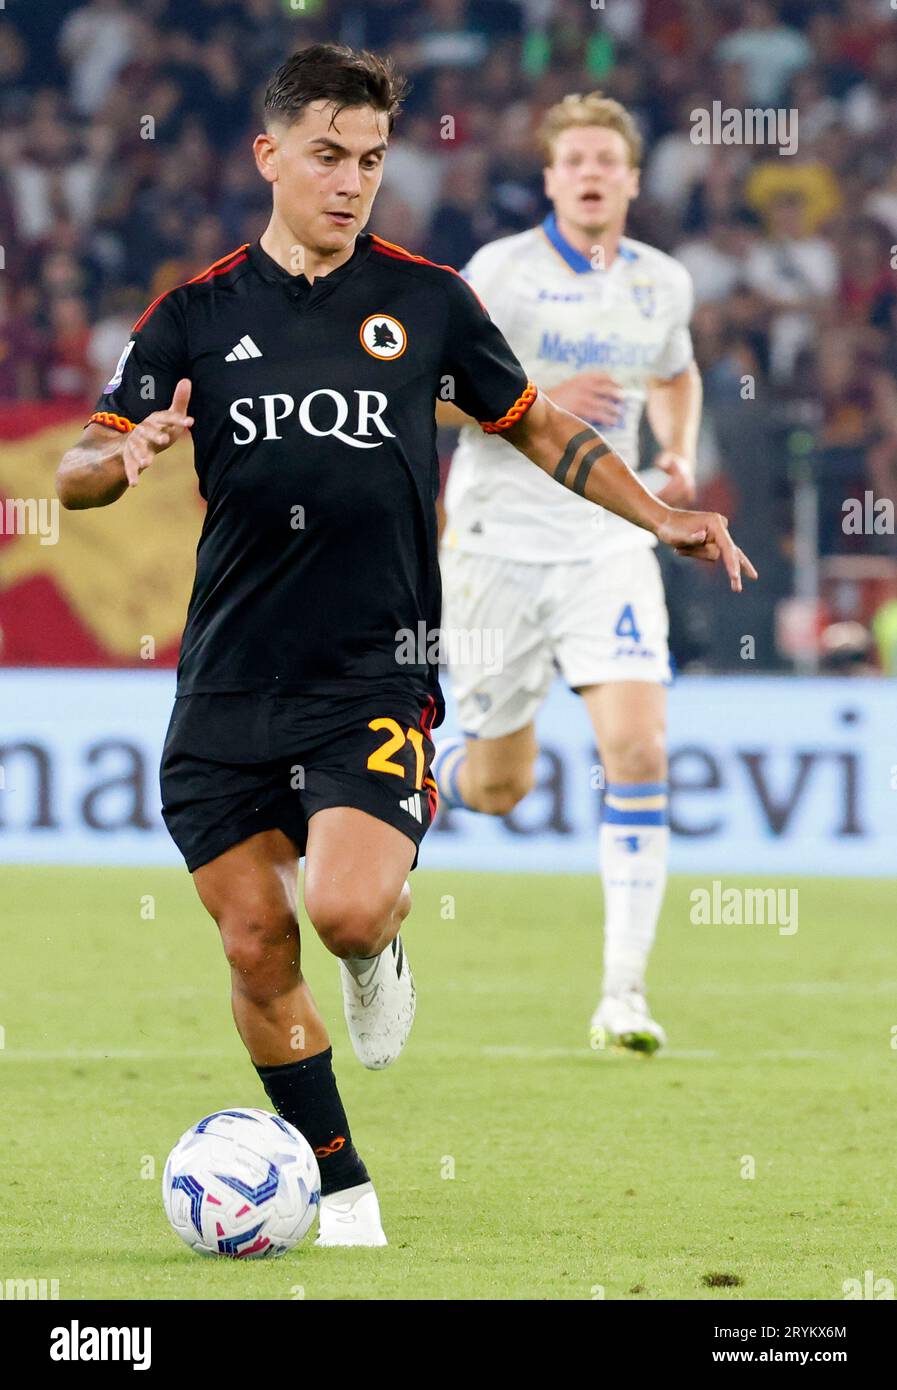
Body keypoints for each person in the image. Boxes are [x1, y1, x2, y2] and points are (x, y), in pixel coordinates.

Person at [55, 45, 754, 1250]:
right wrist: (111, 464)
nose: (353, 181)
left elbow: (530, 423)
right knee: (254, 940)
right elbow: (80, 459)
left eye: (373, 159)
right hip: (226, 674)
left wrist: (660, 514)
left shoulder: (427, 299)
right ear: (268, 154)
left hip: (372, 666)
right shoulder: (194, 312)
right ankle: (340, 1188)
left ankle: (380, 954)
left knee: (344, 911)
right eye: (329, 154)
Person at [434, 92, 705, 1053]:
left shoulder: (662, 282)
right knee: (502, 787)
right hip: (497, 547)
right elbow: (426, 397)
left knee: (637, 753)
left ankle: (621, 996)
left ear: (631, 179)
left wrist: (676, 453)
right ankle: (410, 784)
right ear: (550, 178)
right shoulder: (497, 273)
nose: (591, 173)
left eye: (607, 160)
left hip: (609, 549)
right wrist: (535, 404)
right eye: (574, 159)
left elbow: (673, 371)